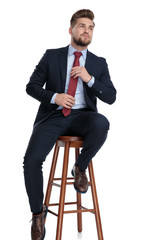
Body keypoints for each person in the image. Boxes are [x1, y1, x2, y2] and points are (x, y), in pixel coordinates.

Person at [23, 9, 116, 240]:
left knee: (102, 123)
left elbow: (111, 97)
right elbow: (31, 86)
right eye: (83, 26)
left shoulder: (98, 63)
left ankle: (80, 167)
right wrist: (55, 97)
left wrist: (89, 78)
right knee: (31, 161)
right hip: (53, 117)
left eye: (91, 27)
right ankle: (38, 214)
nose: (87, 30)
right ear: (71, 29)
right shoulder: (51, 55)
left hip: (83, 117)